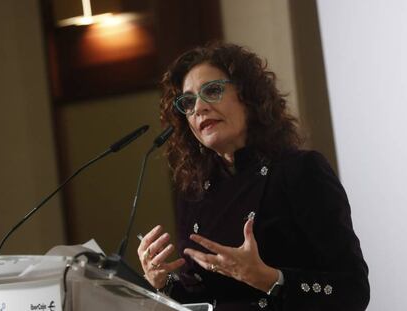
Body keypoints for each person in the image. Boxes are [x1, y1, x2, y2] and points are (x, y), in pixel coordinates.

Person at [137, 42, 370, 311]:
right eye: (188, 102)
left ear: (247, 96)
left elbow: (354, 290)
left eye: (212, 91)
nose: (199, 107)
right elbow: (204, 298)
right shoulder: (194, 192)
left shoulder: (301, 171)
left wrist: (270, 279)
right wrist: (163, 283)